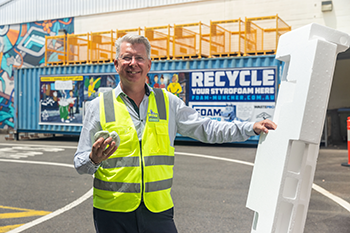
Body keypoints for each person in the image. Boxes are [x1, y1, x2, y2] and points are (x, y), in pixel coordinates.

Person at [74, 34, 277, 233]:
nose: (133, 63)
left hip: (158, 210)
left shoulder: (168, 102)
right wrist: (93, 159)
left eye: (139, 58)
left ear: (149, 65)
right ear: (116, 64)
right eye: (127, 57)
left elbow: (207, 128)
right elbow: (80, 163)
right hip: (112, 212)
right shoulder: (98, 106)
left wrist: (250, 128)